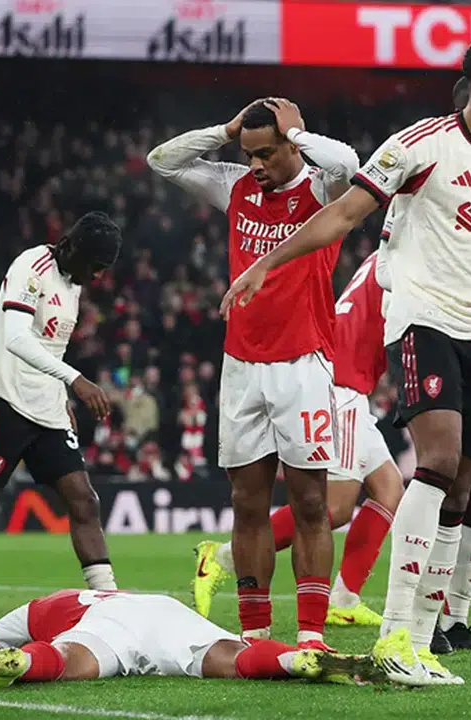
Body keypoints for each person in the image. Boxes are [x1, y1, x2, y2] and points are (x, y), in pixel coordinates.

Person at [220, 34, 471, 685]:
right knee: (436, 464)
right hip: (422, 322)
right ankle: (394, 637)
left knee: (464, 485)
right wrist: (267, 262)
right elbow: (344, 214)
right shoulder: (419, 145)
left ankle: (428, 637)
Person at [148, 98, 359, 650]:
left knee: (310, 502)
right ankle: (255, 633)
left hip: (303, 363)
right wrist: (225, 129)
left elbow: (348, 163)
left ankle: (311, 635)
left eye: (267, 153)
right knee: (247, 503)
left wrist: (299, 133)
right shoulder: (236, 187)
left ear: (291, 144)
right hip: (241, 364)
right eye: (249, 154)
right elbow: (162, 161)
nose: (256, 165)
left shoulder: (323, 191)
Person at [0, 212, 120, 636]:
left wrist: (60, 397)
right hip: (4, 403)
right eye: (95, 265)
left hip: (47, 411)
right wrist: (76, 380)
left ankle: (110, 605)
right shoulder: (32, 267)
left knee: (84, 501)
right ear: (73, 248)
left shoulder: (73, 284)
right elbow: (17, 339)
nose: (98, 276)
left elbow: (51, 346)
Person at [0, 589, 392, 691]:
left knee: (68, 657)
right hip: (163, 608)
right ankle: (295, 660)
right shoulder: (105, 593)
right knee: (232, 656)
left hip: (105, 624)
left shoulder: (40, 608)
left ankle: (22, 663)